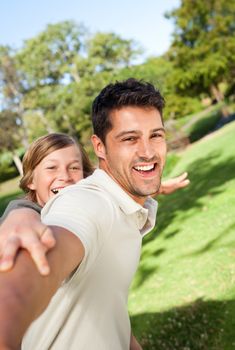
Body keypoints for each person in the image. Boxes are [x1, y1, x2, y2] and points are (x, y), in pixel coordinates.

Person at [0, 78, 189, 350]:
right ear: (99, 147)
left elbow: (110, 313)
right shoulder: (87, 204)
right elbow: (19, 287)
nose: (148, 151)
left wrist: (153, 188)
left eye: (156, 135)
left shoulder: (126, 207)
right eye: (129, 138)